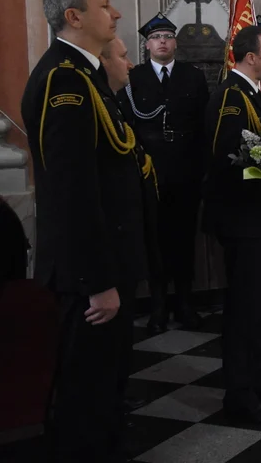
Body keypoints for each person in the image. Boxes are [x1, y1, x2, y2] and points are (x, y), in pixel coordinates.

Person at [21, 0, 140, 462]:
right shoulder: (64, 81)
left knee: (104, 386)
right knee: (83, 394)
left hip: (104, 259)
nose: (114, 15)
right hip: (87, 273)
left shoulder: (84, 75)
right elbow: (72, 191)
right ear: (74, 17)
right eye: (105, 6)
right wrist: (97, 280)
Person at [202, 25, 261, 424]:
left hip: (258, 219)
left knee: (256, 306)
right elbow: (233, 155)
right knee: (244, 309)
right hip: (244, 220)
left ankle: (257, 378)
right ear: (250, 57)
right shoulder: (232, 95)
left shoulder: (250, 93)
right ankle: (240, 396)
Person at [124, 12, 209, 334]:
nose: (163, 42)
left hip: (186, 170)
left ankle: (185, 302)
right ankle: (158, 305)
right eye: (157, 37)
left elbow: (203, 127)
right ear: (147, 45)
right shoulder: (135, 78)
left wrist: (202, 170)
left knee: (184, 240)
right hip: (151, 170)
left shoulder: (193, 76)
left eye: (168, 37)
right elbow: (128, 127)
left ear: (175, 42)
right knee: (154, 241)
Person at [100, 36, 159, 415]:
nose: (131, 64)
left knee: (121, 332)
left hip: (128, 229)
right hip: (109, 238)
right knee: (106, 337)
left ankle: (116, 393)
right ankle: (107, 402)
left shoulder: (114, 102)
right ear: (103, 62)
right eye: (123, 57)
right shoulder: (97, 104)